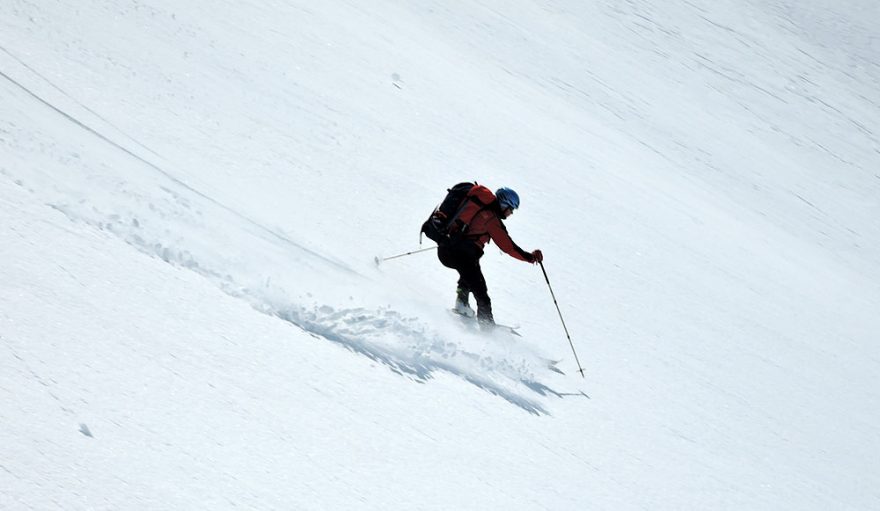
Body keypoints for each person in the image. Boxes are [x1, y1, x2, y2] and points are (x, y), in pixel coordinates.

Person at [437, 187, 543, 327]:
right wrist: (530, 257)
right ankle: (487, 328)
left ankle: (462, 303)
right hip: (461, 255)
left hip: (447, 249)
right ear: (504, 204)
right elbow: (508, 247)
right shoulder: (490, 218)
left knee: (470, 276)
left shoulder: (481, 211)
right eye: (511, 208)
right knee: (482, 294)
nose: (511, 213)